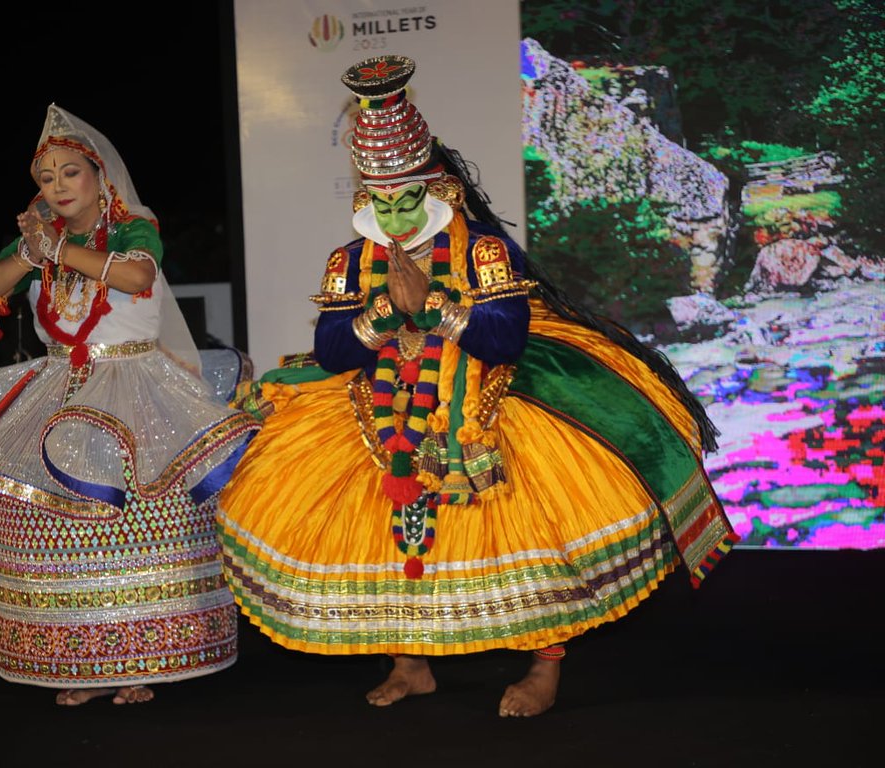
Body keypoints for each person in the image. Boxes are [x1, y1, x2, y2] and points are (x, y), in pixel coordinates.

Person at [217, 56, 737, 716]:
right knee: (383, 531)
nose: (397, 216)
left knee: (537, 533)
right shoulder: (351, 260)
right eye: (381, 202)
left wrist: (432, 307)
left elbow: (503, 337)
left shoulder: (483, 251)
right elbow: (332, 348)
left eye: (408, 200)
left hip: (485, 400)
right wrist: (383, 315)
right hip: (381, 401)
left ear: (441, 190)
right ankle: (411, 662)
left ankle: (544, 666)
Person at [0, 104, 259, 706]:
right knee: (58, 525)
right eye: (46, 178)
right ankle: (84, 665)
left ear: (99, 177)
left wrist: (57, 252)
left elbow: (135, 278)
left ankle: (141, 662)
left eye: (69, 172)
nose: (57, 186)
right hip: (58, 388)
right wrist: (27, 254)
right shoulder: (38, 241)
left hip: (134, 387)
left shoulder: (131, 223)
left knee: (136, 528)